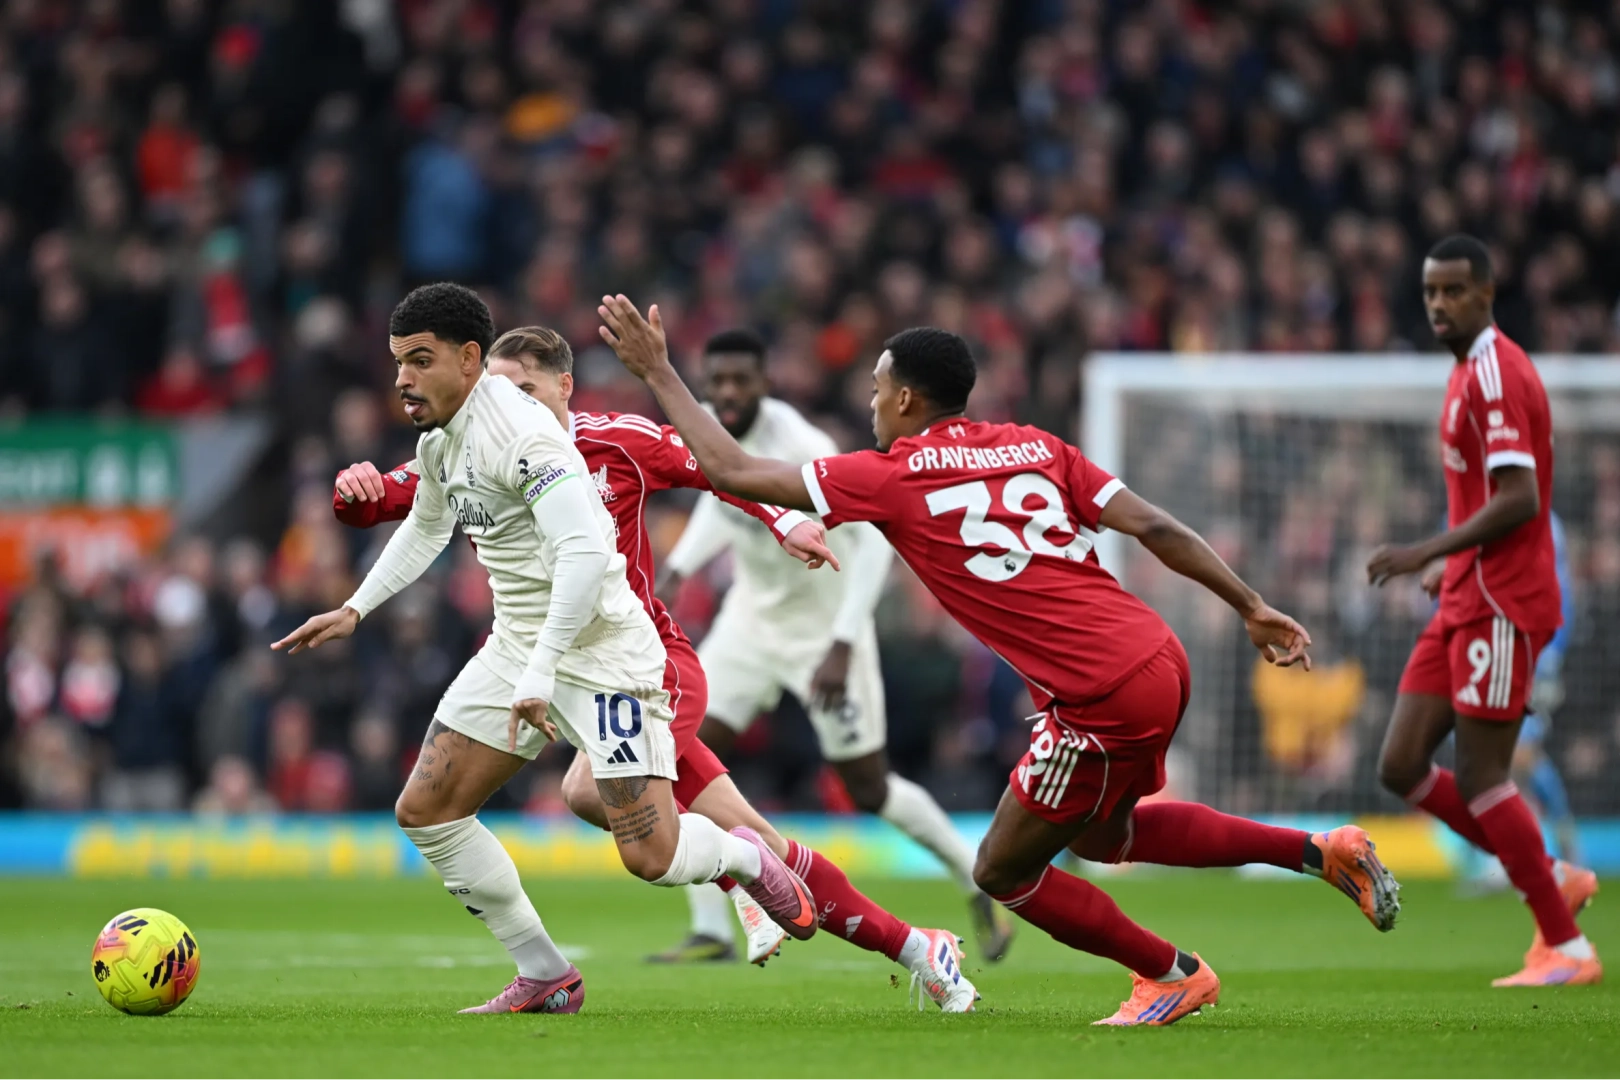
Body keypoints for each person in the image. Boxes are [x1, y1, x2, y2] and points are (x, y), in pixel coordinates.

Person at [597, 295, 1401, 1027]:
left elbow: (734, 472)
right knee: (1106, 836)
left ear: (905, 399)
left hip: (1099, 695)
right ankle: (1317, 852)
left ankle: (1170, 973)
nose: (871, 404)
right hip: (1158, 654)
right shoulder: (1036, 445)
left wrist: (660, 371)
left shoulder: (891, 475)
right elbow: (1154, 525)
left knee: (1003, 871)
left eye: (877, 389)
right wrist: (1249, 604)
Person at [332, 321, 979, 1010]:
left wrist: (783, 521)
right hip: (541, 662)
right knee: (756, 837)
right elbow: (393, 502)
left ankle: (737, 874)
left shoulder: (616, 441)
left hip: (639, 666)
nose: (509, 403)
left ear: (565, 387)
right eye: (498, 390)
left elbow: (717, 468)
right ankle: (914, 945)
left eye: (525, 389)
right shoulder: (476, 443)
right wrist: (354, 488)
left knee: (588, 792)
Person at [273, 283, 820, 1016]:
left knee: (651, 857)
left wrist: (541, 671)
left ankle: (744, 856)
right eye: (399, 361)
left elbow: (585, 557)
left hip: (602, 651)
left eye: (421, 360)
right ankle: (545, 973)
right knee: (427, 810)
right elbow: (428, 526)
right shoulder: (441, 436)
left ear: (470, 360)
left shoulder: (524, 436)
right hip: (518, 643)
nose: (403, 378)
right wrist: (355, 607)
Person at [655, 328, 1012, 964]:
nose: (728, 393)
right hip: (751, 622)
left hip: (825, 630)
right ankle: (711, 927)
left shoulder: (803, 447)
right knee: (680, 752)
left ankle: (974, 879)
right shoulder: (711, 431)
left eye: (741, 380)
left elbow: (870, 542)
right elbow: (722, 497)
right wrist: (681, 566)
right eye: (718, 381)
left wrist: (843, 643)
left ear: (766, 383)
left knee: (870, 788)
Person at [1367, 234, 1599, 987]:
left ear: (1487, 294)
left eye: (1454, 291)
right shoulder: (1466, 369)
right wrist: (1451, 564)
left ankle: (1566, 946)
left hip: (1505, 602)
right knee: (1401, 763)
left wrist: (1425, 550)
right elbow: (1486, 498)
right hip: (1468, 591)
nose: (1439, 304)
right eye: (1430, 292)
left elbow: (1521, 499)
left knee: (1484, 775)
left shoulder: (1496, 373)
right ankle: (1548, 870)